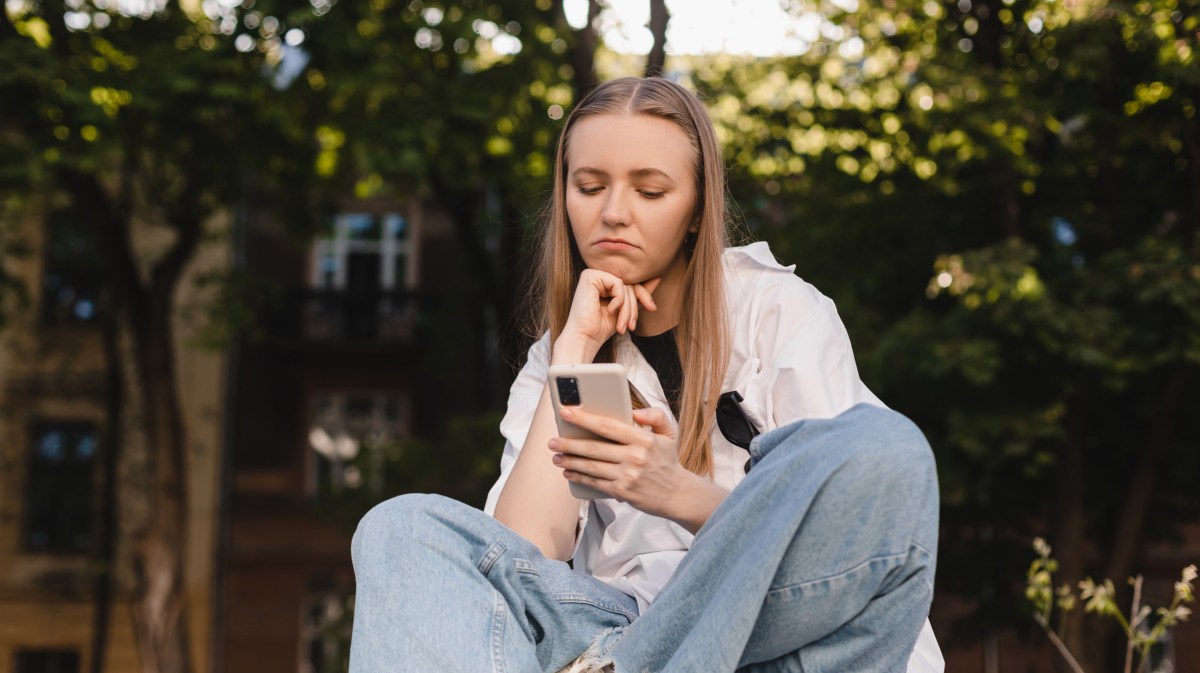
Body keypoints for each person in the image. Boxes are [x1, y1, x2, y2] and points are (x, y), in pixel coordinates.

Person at [349, 76, 944, 673]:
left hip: (762, 629)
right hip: (616, 633)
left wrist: (676, 492)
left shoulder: (778, 310)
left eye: (651, 192)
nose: (613, 213)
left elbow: (848, 534)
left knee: (889, 447)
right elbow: (520, 560)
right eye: (588, 187)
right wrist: (577, 348)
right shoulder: (558, 353)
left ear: (695, 210)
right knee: (400, 530)